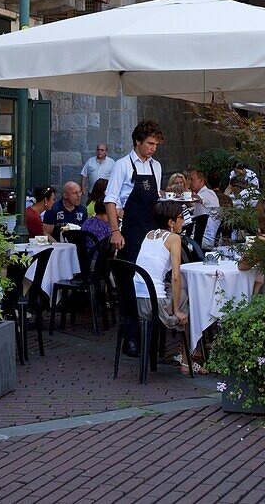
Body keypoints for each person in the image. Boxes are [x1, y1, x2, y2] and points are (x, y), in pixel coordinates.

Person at [134, 200, 189, 359]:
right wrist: (177, 309)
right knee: (190, 296)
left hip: (137, 301)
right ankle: (186, 355)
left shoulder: (149, 234)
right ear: (171, 222)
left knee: (171, 288)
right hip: (155, 306)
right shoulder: (174, 238)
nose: (183, 221)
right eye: (181, 217)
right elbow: (176, 277)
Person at [105, 119, 164, 262]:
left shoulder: (156, 166)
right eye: (150, 143)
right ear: (138, 141)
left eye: (156, 144)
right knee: (130, 274)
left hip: (152, 230)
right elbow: (110, 200)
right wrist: (115, 232)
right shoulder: (122, 165)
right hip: (131, 231)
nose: (154, 148)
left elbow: (155, 197)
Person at [188, 168, 221, 247]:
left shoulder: (208, 193)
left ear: (201, 180)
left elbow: (197, 199)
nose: (189, 182)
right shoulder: (203, 193)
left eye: (192, 180)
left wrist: (182, 195)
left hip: (205, 238)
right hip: (201, 237)